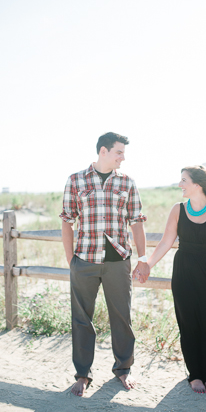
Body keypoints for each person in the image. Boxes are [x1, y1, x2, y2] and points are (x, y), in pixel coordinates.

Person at [140, 166, 206, 394]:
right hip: (184, 274)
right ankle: (195, 375)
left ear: (197, 184)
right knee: (189, 325)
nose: (180, 185)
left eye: (184, 180)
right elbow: (166, 242)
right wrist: (147, 265)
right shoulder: (178, 210)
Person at [59, 132, 147, 396]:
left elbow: (137, 222)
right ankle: (83, 375)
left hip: (118, 262)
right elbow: (67, 220)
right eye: (119, 152)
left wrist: (143, 259)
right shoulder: (76, 180)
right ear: (103, 152)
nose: (123, 157)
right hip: (84, 260)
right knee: (81, 320)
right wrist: (70, 260)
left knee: (122, 317)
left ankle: (123, 369)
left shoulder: (127, 182)